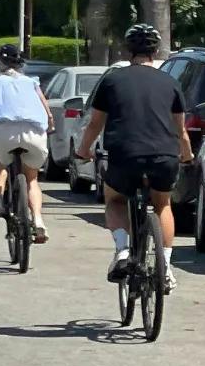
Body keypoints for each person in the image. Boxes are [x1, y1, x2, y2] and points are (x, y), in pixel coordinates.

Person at [78, 23, 190, 286]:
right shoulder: (171, 82)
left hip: (125, 154)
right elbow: (180, 129)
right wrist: (187, 155)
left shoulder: (112, 80)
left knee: (115, 199)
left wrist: (83, 151)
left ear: (129, 50)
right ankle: (166, 267)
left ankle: (123, 250)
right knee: (162, 204)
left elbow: (95, 124)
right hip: (164, 155)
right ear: (156, 51)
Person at [0, 43, 52, 243]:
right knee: (32, 179)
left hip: (3, 131)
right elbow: (46, 109)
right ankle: (39, 221)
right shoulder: (32, 82)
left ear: (0, 63)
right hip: (34, 132)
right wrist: (50, 125)